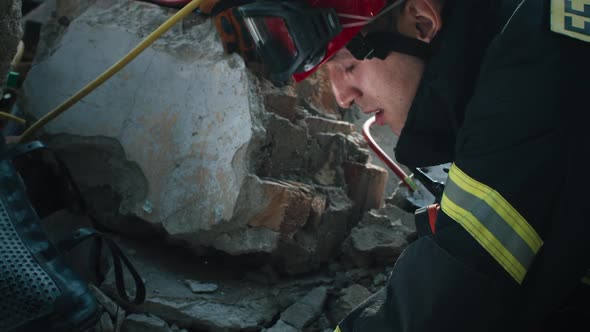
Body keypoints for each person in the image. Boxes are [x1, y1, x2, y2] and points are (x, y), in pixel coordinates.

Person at [231, 0, 590, 330]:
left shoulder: (537, 66)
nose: (342, 97)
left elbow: (452, 297)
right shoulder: (518, 38)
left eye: (348, 65)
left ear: (421, 21)